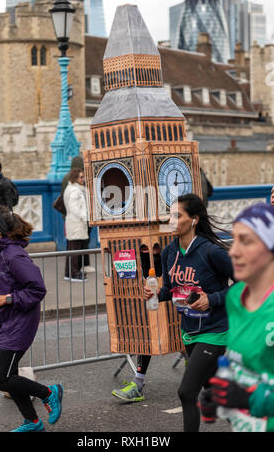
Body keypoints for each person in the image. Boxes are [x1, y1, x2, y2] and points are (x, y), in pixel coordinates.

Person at [112, 193, 234, 433]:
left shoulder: (211, 252)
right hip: (188, 331)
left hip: (215, 331)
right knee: (212, 390)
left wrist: (212, 298)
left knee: (186, 392)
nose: (172, 220)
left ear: (195, 220)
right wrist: (156, 294)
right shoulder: (169, 253)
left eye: (177, 215)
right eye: (170, 215)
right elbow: (171, 289)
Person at [0, 206, 64, 432]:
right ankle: (32, 422)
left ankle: (49, 393)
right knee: (9, 374)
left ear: (1, 228)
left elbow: (37, 289)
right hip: (7, 320)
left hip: (20, 323)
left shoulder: (13, 255)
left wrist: (6, 298)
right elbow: (3, 291)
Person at [200, 203, 274, 432]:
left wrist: (250, 398)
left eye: (247, 241)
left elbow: (251, 393)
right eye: (234, 240)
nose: (233, 251)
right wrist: (219, 395)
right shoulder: (235, 297)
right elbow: (242, 364)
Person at [63, 168, 89, 282]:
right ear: (75, 178)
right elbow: (74, 208)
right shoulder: (75, 191)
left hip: (72, 223)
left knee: (71, 249)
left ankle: (69, 273)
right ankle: (74, 273)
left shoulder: (70, 188)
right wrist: (84, 218)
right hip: (76, 223)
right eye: (81, 177)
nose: (83, 179)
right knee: (75, 250)